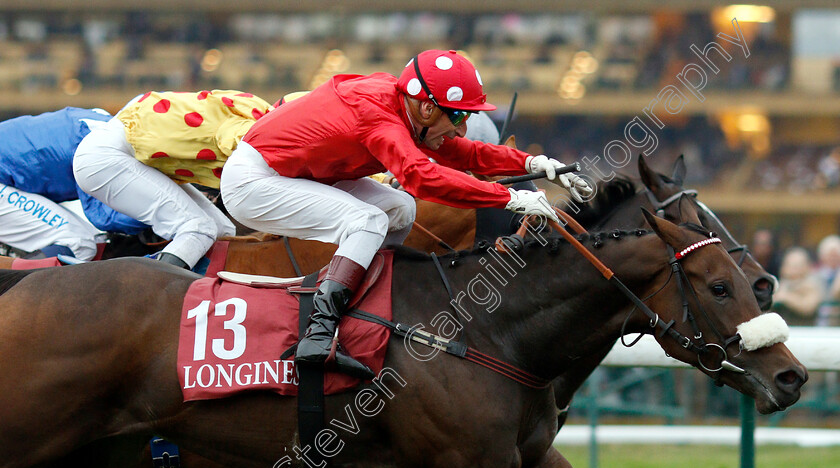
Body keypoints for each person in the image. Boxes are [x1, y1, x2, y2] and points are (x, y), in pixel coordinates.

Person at [220, 49, 593, 378]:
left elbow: (466, 154)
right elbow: (420, 177)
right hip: (255, 182)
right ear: (428, 108)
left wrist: (536, 162)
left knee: (400, 209)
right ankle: (318, 336)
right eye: (460, 116)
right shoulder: (379, 116)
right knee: (368, 221)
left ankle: (362, 309)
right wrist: (508, 198)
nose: (463, 127)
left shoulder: (406, 107)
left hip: (294, 172)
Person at [73, 90, 274, 269]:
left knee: (223, 230)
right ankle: (152, 299)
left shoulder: (259, 113)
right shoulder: (251, 126)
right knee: (197, 228)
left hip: (119, 153)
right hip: (106, 158)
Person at [0, 108, 147, 260]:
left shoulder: (107, 123)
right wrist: (159, 218)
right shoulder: (100, 146)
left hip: (9, 173)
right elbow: (103, 217)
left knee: (98, 241)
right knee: (79, 244)